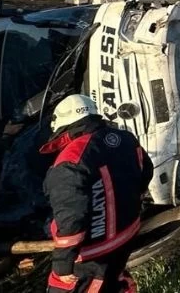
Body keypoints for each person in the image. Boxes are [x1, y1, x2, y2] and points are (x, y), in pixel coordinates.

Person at [41, 94, 153, 293]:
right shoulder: (124, 138)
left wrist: (63, 262)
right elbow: (146, 171)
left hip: (92, 253)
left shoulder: (71, 160)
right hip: (125, 237)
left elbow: (72, 216)